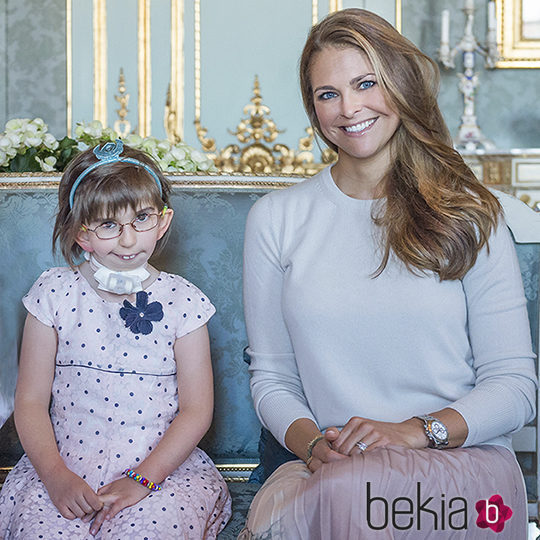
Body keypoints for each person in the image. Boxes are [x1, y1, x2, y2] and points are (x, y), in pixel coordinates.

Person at [241, 8, 536, 539]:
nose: (349, 108)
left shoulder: (470, 214)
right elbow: (273, 378)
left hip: (461, 467)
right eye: (327, 93)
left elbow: (515, 387)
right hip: (332, 471)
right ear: (313, 108)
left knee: (351, 498)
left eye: (365, 83)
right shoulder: (275, 219)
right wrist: (313, 445)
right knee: (344, 494)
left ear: (398, 84)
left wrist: (411, 433)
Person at [0, 140, 231, 538]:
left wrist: (142, 480)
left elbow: (195, 410)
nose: (128, 240)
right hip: (65, 466)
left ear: (163, 222)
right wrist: (55, 476)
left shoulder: (183, 302)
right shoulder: (53, 295)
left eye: (142, 218)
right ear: (80, 233)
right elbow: (31, 401)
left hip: (159, 473)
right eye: (108, 224)